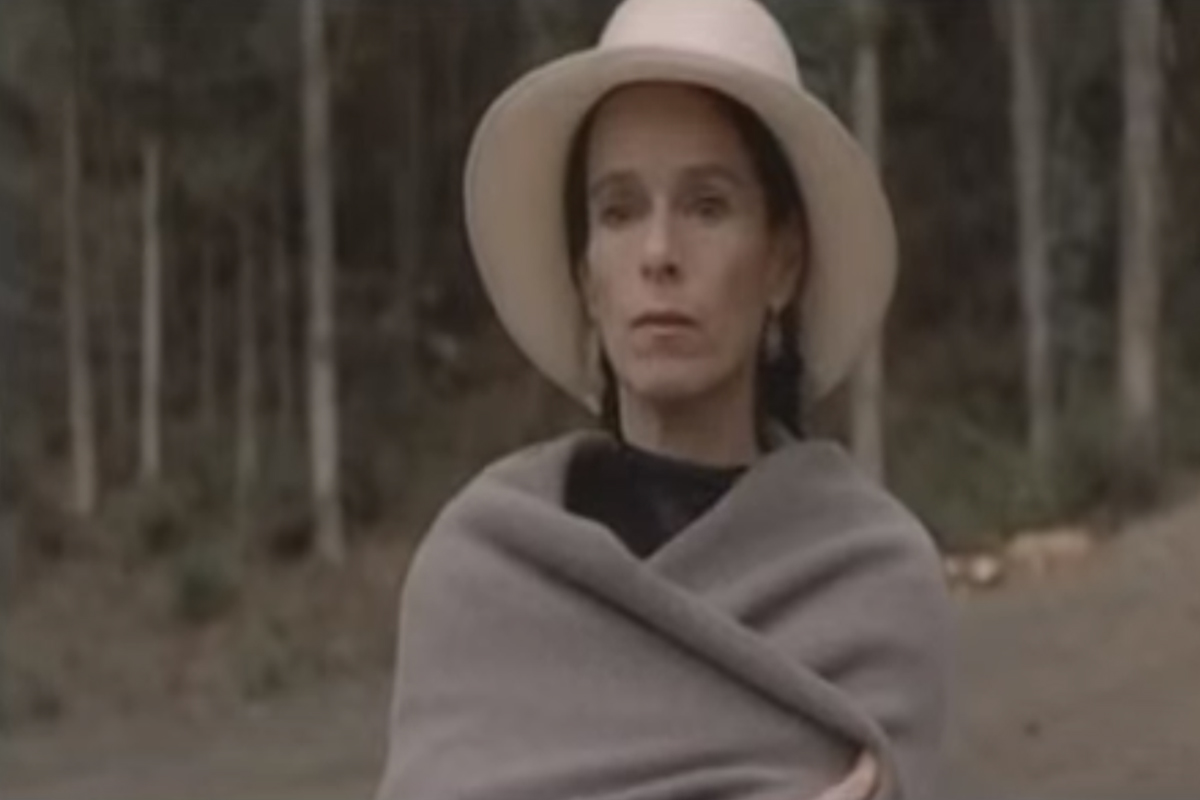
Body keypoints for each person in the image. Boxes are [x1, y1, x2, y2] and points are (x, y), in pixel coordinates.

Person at [375, 0, 951, 798]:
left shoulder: (873, 582)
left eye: (707, 206)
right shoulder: (479, 573)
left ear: (782, 260)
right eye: (618, 211)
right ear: (586, 274)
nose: (658, 253)